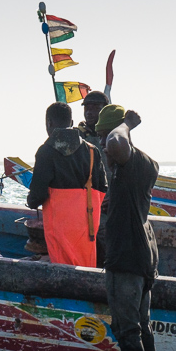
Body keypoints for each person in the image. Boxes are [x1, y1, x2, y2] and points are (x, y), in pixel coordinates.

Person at [96, 104, 159, 351]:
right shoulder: (140, 166)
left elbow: (118, 142)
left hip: (127, 260)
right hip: (142, 257)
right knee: (141, 326)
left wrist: (127, 124)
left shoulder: (131, 158)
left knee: (127, 330)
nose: (103, 146)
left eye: (103, 139)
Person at [27, 102, 107, 267]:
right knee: (86, 266)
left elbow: (37, 196)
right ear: (71, 123)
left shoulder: (46, 151)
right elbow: (102, 189)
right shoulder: (92, 151)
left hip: (59, 230)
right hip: (87, 229)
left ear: (49, 123)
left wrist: (30, 201)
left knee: (61, 265)